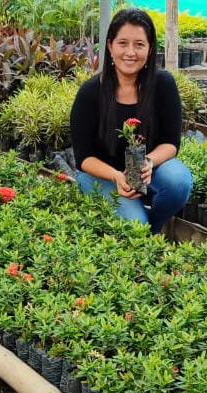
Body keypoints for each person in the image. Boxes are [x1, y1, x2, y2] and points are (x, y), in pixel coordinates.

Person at [70, 7, 192, 233]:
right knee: (136, 224)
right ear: (110, 46)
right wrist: (116, 176)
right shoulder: (90, 93)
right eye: (123, 43)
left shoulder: (163, 85)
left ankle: (152, 230)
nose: (130, 52)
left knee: (178, 181)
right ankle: (141, 230)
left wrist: (149, 162)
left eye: (139, 44)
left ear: (150, 49)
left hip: (143, 171)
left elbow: (170, 143)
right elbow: (83, 158)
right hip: (102, 175)